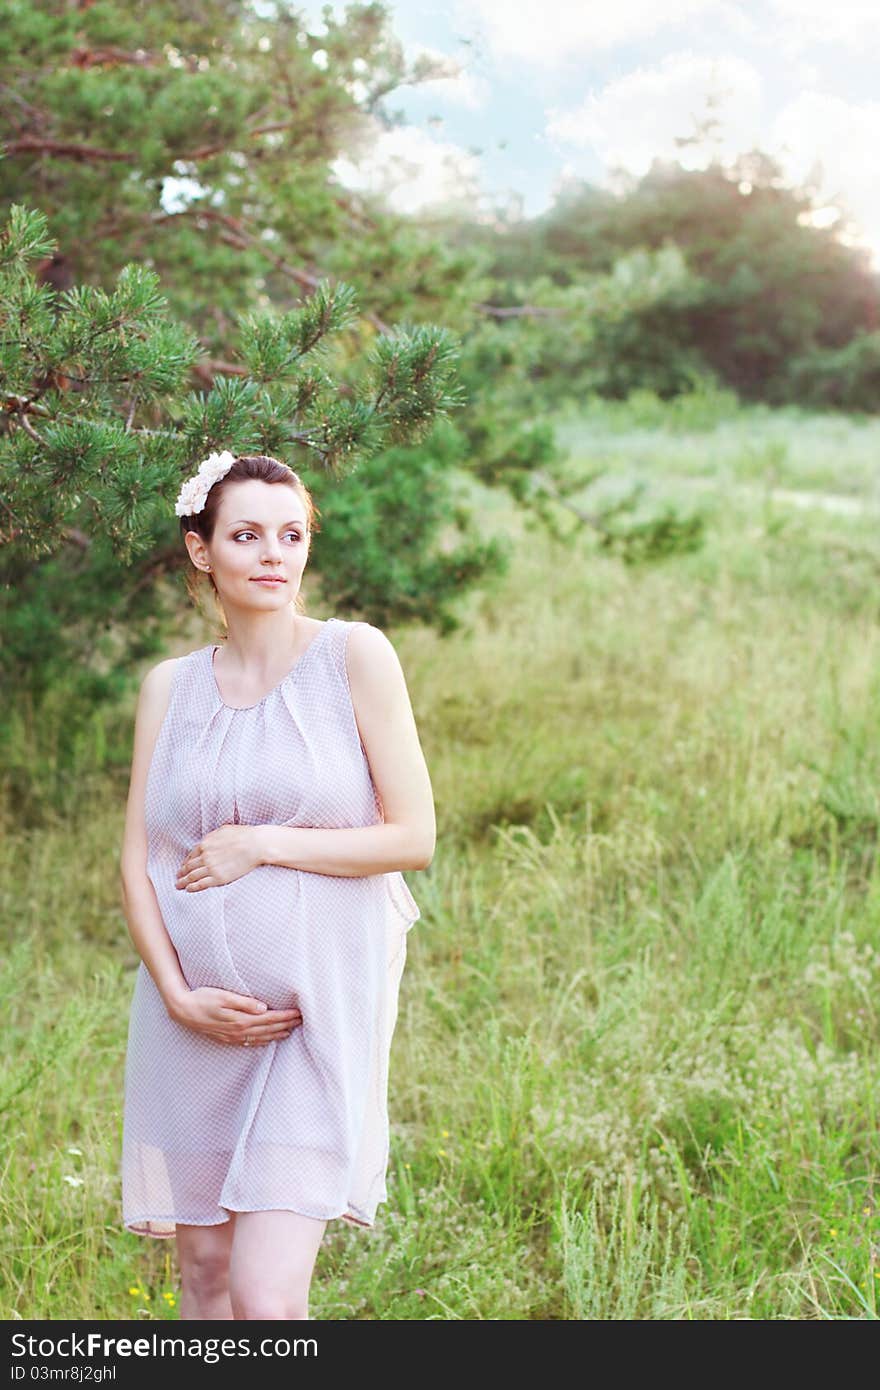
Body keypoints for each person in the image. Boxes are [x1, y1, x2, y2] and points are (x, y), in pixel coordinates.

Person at [118, 451, 436, 1321]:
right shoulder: (169, 688)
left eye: (291, 535)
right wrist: (180, 997)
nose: (274, 555)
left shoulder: (353, 658)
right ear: (201, 551)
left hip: (313, 1017)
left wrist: (263, 844)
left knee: (264, 1295)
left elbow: (413, 837)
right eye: (247, 535)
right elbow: (138, 863)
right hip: (193, 1023)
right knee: (206, 1281)